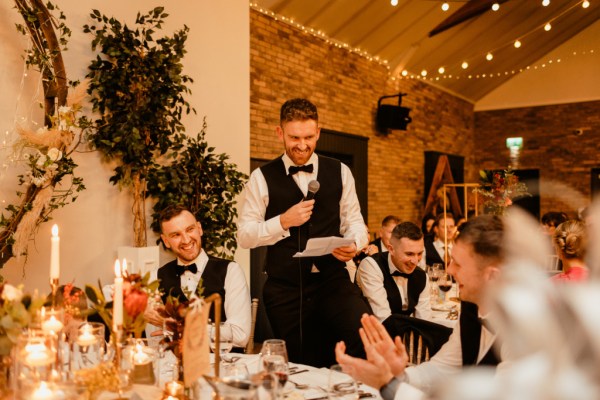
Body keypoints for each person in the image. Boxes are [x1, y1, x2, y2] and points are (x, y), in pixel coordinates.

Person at [237, 98, 371, 367]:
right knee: (303, 363)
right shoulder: (261, 177)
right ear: (280, 133)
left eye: (309, 137)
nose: (302, 145)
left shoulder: (341, 171)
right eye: (294, 137)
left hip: (332, 281)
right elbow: (245, 236)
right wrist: (282, 222)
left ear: (318, 132)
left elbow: (355, 222)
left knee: (365, 338)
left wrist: (354, 245)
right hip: (285, 290)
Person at [336, 215, 509, 398]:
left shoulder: (523, 335)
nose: (449, 270)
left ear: (492, 276)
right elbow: (439, 369)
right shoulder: (470, 311)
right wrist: (397, 375)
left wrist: (388, 385)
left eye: (458, 264)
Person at [146, 205, 251, 349]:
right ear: (166, 241)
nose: (186, 239)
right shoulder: (156, 278)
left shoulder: (231, 271)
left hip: (224, 366)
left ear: (199, 229)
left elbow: (240, 336)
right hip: (176, 367)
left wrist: (181, 326)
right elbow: (155, 342)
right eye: (175, 235)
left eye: (190, 229)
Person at [358, 222, 431, 322]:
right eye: (409, 254)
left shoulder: (422, 276)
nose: (415, 261)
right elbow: (383, 319)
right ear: (391, 249)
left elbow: (424, 321)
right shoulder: (371, 265)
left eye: (419, 253)